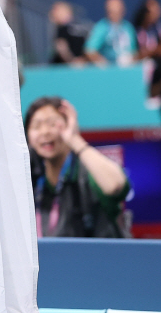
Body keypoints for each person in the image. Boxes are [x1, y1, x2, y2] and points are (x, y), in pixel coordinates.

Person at [24, 97, 129, 237]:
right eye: (36, 126)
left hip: (95, 257)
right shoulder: (30, 178)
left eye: (52, 124)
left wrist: (74, 139)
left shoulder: (88, 171)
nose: (45, 132)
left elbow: (115, 185)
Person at [85, 0, 137, 65]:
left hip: (128, 68)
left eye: (118, 10)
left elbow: (134, 52)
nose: (115, 14)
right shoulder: (102, 27)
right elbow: (90, 50)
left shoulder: (128, 27)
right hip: (109, 69)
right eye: (111, 11)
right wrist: (105, 64)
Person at [133, 0, 161, 100]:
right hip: (144, 70)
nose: (155, 13)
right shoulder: (137, 31)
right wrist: (154, 51)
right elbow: (135, 55)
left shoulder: (157, 28)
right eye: (150, 11)